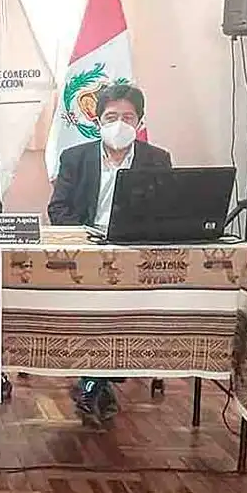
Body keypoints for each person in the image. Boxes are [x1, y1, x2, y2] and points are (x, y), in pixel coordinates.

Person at [47, 83, 172, 428]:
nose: (119, 123)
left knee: (126, 314)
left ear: (140, 121)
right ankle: (95, 382)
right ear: (98, 120)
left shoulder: (156, 159)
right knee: (94, 311)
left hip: (135, 252)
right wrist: (89, 239)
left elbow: (165, 213)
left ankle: (95, 382)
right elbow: (58, 209)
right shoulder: (76, 158)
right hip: (87, 252)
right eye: (111, 116)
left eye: (127, 117)